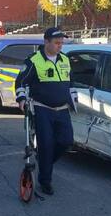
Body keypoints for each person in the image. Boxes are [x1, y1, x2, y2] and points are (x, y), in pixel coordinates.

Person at [14, 27, 75, 196]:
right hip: (42, 109)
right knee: (46, 145)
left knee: (66, 141)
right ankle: (45, 181)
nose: (60, 46)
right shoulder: (33, 60)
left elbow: (71, 83)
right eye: (56, 43)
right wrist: (21, 99)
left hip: (62, 109)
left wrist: (74, 100)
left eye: (61, 43)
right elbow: (20, 82)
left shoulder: (65, 60)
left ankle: (44, 160)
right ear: (46, 42)